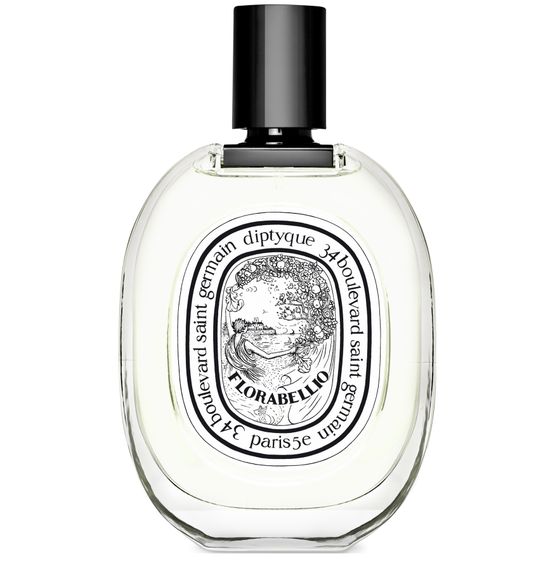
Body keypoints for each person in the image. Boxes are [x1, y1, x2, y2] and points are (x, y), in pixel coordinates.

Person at [225, 318, 295, 382]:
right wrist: (289, 351)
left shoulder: (231, 340)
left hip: (235, 372)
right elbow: (267, 355)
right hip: (249, 374)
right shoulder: (246, 344)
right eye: (246, 326)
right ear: (244, 329)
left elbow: (228, 323)